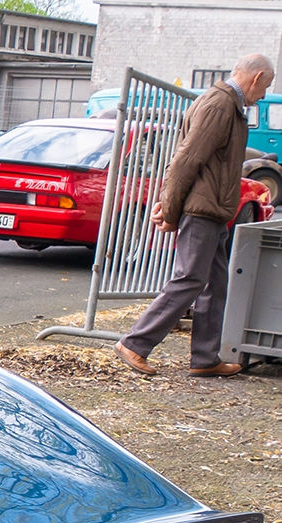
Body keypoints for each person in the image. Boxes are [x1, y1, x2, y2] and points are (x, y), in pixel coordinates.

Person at [115, 52, 275, 379]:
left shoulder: (228, 105)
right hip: (202, 210)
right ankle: (134, 343)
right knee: (190, 278)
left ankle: (205, 359)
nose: (263, 94)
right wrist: (169, 208)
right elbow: (187, 160)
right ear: (256, 78)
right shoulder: (219, 106)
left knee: (215, 283)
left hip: (214, 210)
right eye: (266, 86)